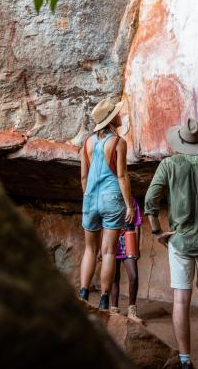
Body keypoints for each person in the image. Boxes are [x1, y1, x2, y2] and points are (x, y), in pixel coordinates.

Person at [144, 118, 198, 369]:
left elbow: (151, 200)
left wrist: (156, 232)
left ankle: (185, 361)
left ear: (180, 141)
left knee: (181, 300)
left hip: (180, 241)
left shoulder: (168, 165)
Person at [78, 98, 135, 311]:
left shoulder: (87, 143)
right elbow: (122, 176)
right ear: (111, 120)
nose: (120, 115)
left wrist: (89, 196)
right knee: (109, 251)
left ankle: (83, 294)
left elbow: (84, 177)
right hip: (112, 198)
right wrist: (129, 204)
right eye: (116, 114)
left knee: (90, 249)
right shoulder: (118, 143)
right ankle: (103, 299)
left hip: (90, 198)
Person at [110, 197, 143, 322]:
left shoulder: (132, 201)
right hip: (112, 240)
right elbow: (103, 224)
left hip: (128, 240)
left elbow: (137, 225)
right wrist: (100, 247)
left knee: (133, 277)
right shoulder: (110, 198)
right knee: (114, 278)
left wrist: (137, 246)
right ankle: (114, 309)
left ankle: (132, 311)